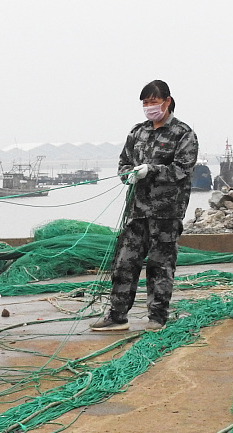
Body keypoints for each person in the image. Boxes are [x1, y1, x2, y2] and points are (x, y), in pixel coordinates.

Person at [91, 79, 198, 332]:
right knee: (124, 262)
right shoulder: (137, 132)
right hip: (136, 211)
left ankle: (157, 317)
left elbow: (182, 170)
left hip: (166, 212)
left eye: (154, 102)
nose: (149, 107)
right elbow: (123, 164)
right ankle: (117, 316)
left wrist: (151, 170)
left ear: (167, 102)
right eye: (145, 103)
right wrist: (128, 174)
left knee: (160, 265)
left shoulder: (184, 134)